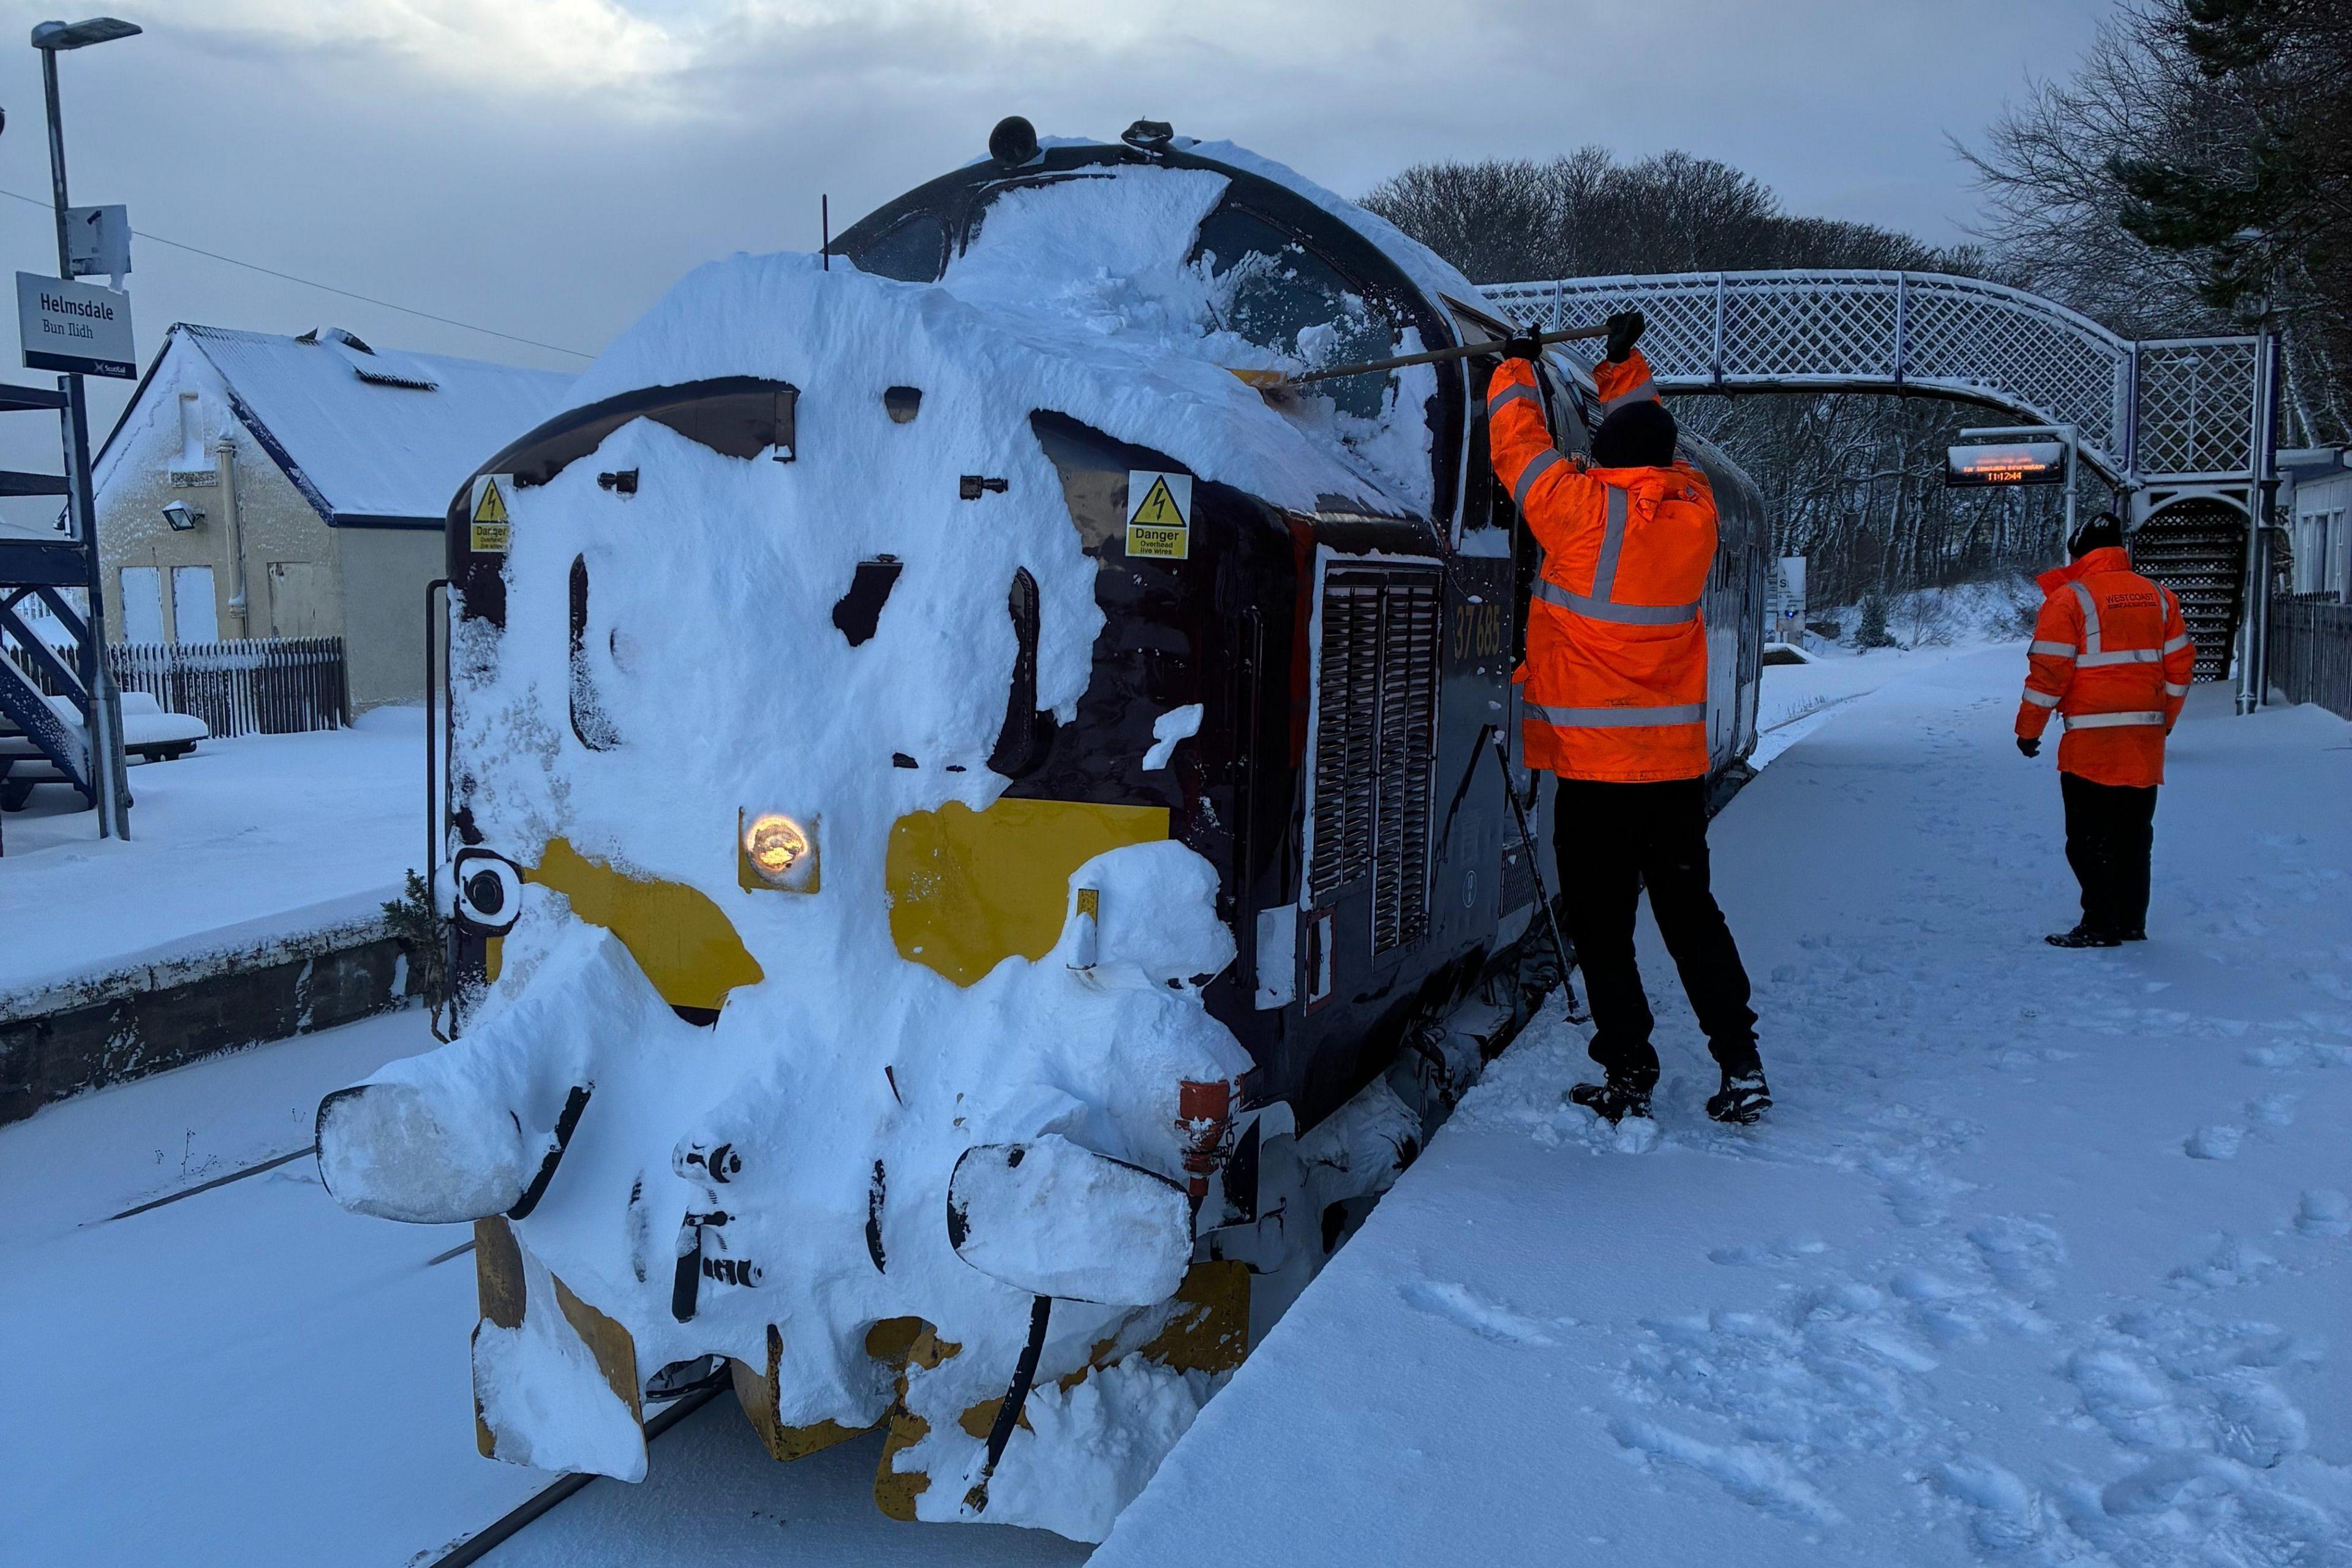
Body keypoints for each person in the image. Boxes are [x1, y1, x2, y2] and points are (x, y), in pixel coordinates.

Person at [1487, 312, 1768, 1126]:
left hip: (1594, 775)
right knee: (1692, 918)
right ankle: (1740, 1061)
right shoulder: (1695, 515)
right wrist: (1623, 365)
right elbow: (1652, 437)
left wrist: (1514, 367)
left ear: (1604, 458)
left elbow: (1517, 445)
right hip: (1673, 775)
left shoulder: (1576, 515)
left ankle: (1630, 1070)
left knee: (1603, 931)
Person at [2015, 512, 2195, 946]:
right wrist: (2163, 720)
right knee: (2134, 835)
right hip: (2143, 739)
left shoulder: (2069, 599)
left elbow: (2049, 674)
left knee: (2088, 838)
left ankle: (2100, 924)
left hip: (2091, 741)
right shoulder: (2160, 596)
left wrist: (2029, 730)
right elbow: (2180, 668)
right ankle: (2131, 921)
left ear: (2080, 554)